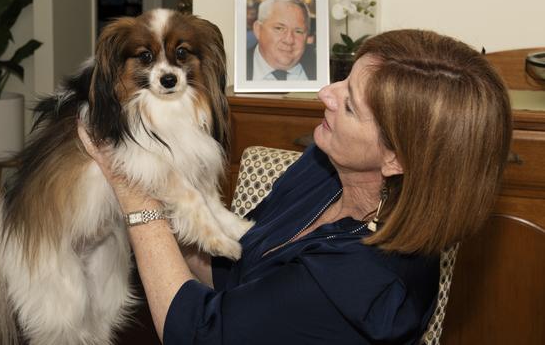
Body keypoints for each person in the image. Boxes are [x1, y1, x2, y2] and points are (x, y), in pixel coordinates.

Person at [79, 29, 512, 344]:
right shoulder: (326, 168)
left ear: (396, 158)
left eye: (350, 104)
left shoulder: (360, 284)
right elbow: (239, 270)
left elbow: (197, 332)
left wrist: (134, 192)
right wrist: (169, 186)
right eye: (344, 78)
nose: (325, 92)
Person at [247, 0, 316, 81]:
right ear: (258, 30)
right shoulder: (239, 65)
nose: (289, 40)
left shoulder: (320, 64)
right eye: (279, 28)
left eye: (298, 31)